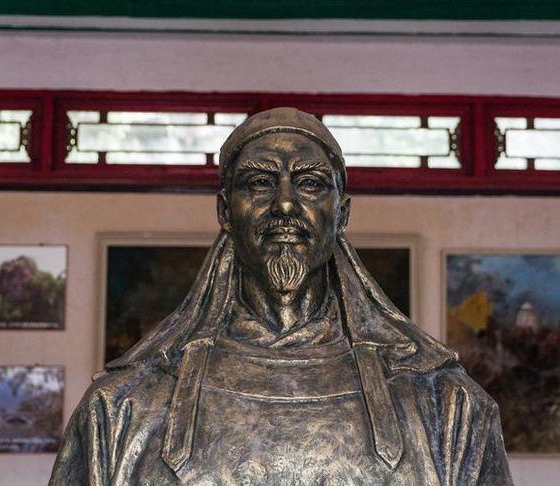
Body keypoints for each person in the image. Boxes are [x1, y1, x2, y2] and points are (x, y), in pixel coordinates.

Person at [49, 108, 513, 485]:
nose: (285, 204)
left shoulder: (444, 406)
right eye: (260, 183)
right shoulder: (123, 408)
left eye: (310, 183)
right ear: (225, 211)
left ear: (342, 212)